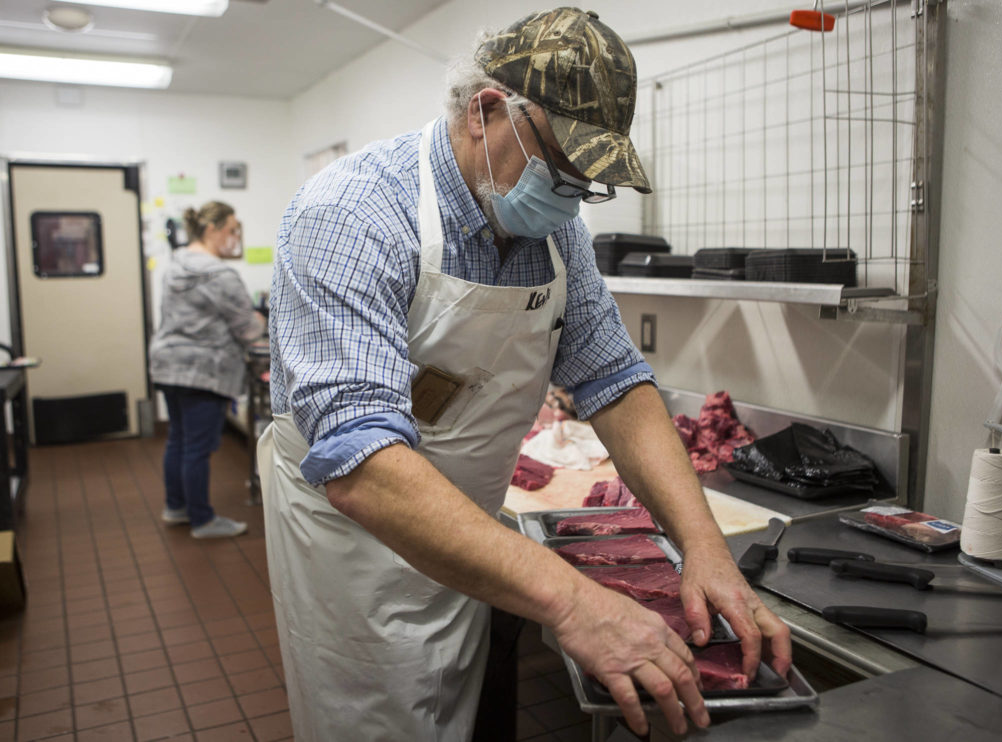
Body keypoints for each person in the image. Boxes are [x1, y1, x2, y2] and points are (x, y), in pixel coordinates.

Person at [260, 7, 791, 741]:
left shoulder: (555, 233)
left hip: (474, 535)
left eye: (586, 180)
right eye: (560, 166)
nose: (571, 194)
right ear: (486, 112)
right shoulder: (353, 213)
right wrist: (576, 604)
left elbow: (614, 381)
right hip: (355, 542)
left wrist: (703, 548)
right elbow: (361, 465)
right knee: (377, 720)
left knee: (474, 707)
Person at [150, 201, 265, 539]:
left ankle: (177, 507)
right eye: (231, 229)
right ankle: (202, 521)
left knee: (179, 440)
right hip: (204, 369)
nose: (234, 237)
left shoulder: (176, 264)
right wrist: (259, 319)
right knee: (198, 447)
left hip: (168, 363)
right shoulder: (221, 274)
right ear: (212, 230)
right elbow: (247, 330)